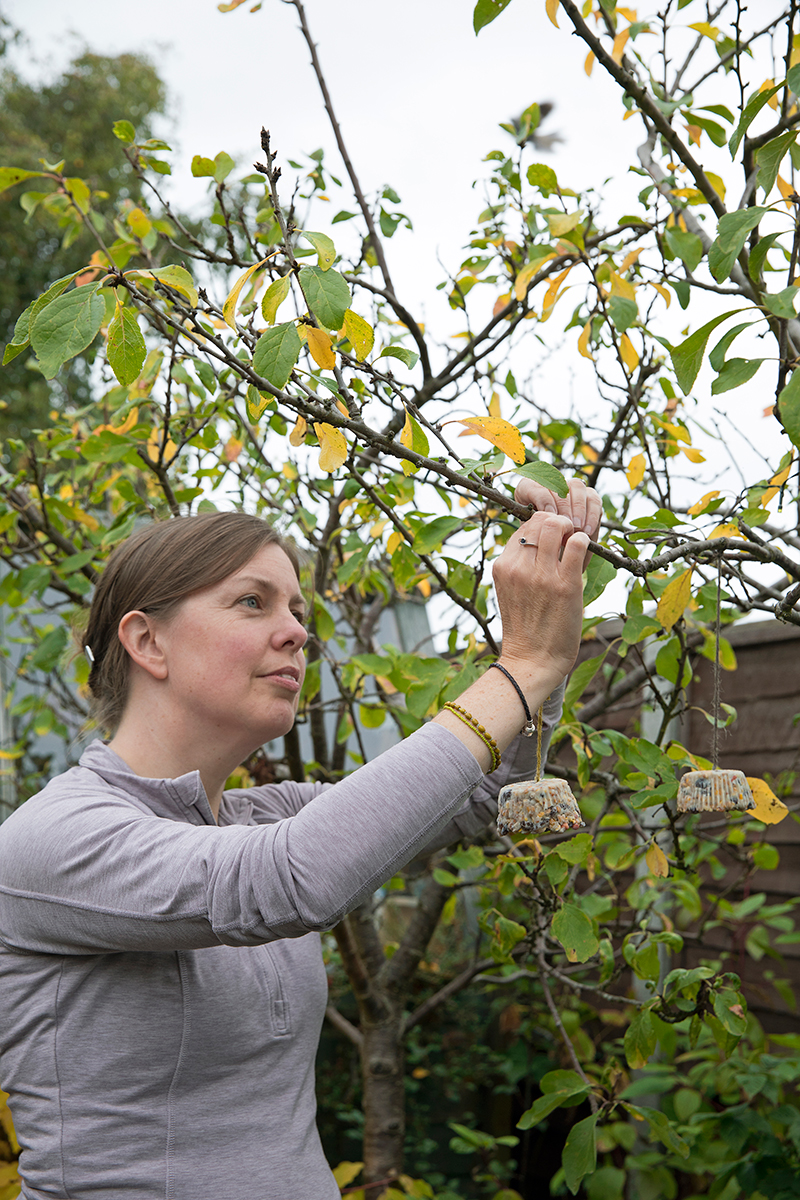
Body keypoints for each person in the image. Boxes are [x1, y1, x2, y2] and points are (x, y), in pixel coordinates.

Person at [0, 478, 601, 1200]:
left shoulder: (263, 816)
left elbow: (491, 794)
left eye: (297, 610)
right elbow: (289, 880)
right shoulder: (52, 840)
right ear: (146, 640)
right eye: (253, 602)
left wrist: (551, 642)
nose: (296, 631)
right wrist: (522, 666)